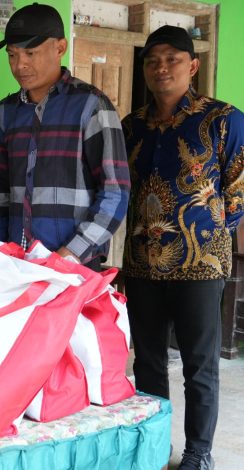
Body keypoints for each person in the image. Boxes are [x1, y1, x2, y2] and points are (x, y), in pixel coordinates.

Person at [122, 25, 244, 470]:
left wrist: (206, 228)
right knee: (149, 363)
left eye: (172, 58)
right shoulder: (131, 126)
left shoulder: (223, 118)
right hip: (140, 264)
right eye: (153, 60)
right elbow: (122, 190)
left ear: (192, 66)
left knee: (199, 366)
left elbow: (238, 187)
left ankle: (198, 453)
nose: (161, 67)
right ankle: (157, 447)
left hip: (202, 263)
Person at [0, 3, 130, 270]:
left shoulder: (91, 106)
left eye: (30, 52)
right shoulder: (6, 112)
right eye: (12, 55)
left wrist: (68, 255)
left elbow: (115, 193)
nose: (19, 65)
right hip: (15, 267)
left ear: (60, 48)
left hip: (75, 268)